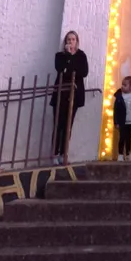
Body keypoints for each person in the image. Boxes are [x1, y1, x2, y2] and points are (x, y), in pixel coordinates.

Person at [50, 31, 88, 165]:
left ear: (77, 41)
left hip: (74, 95)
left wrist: (71, 59)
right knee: (58, 124)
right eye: (68, 39)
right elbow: (61, 70)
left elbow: (83, 72)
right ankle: (54, 153)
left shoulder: (81, 55)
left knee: (68, 125)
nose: (71, 42)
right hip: (61, 94)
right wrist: (69, 59)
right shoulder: (60, 56)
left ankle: (63, 154)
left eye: (73, 39)